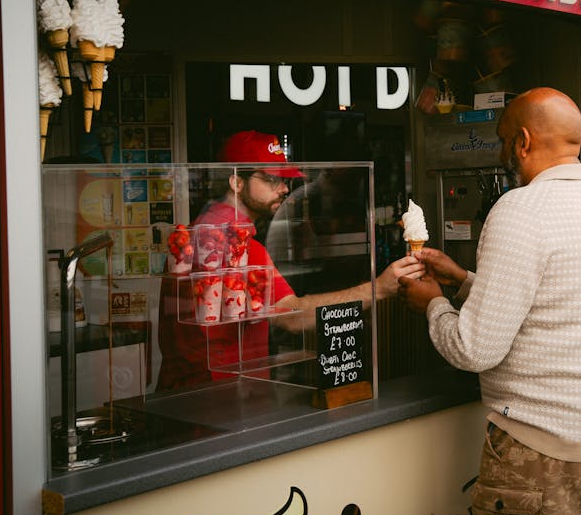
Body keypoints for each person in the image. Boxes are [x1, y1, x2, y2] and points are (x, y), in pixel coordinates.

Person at [398, 87, 581, 515]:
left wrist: (432, 303)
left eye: (502, 138)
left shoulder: (520, 208)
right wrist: (461, 282)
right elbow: (560, 305)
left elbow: (474, 350)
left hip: (541, 450)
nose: (501, 150)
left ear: (523, 141)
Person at [157, 130, 422, 390]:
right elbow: (292, 317)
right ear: (237, 182)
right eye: (273, 179)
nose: (284, 188)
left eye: (285, 180)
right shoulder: (239, 247)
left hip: (184, 390)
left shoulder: (195, 231)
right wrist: (379, 288)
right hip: (223, 396)